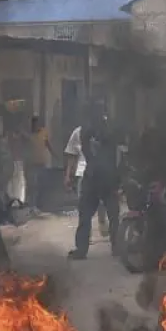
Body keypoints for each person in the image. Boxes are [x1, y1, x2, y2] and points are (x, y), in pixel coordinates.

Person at [68, 110, 121, 260]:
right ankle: (85, 249)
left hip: (103, 178)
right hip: (97, 177)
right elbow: (90, 153)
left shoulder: (105, 132)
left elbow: (111, 152)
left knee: (109, 215)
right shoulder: (88, 132)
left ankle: (113, 246)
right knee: (90, 214)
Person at [65, 123, 109, 239]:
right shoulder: (78, 132)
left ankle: (102, 222)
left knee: (102, 203)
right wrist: (68, 175)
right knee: (84, 206)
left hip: (101, 173)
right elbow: (72, 155)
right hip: (83, 173)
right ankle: (85, 235)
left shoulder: (104, 130)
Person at [25, 115, 54, 211]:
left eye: (38, 124)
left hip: (42, 163)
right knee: (32, 186)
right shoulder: (28, 135)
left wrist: (54, 154)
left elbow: (47, 144)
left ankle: (39, 205)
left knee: (42, 185)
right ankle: (31, 205)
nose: (36, 126)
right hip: (32, 164)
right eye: (34, 124)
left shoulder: (44, 132)